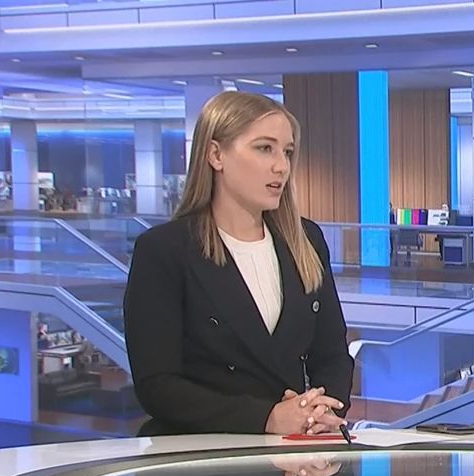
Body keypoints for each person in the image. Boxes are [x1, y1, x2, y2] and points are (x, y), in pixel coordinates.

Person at [123, 91, 352, 437]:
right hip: (201, 455)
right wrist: (266, 418)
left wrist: (323, 409)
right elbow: (158, 385)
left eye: (287, 152)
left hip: (294, 452)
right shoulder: (164, 251)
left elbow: (332, 354)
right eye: (265, 148)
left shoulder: (306, 240)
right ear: (216, 155)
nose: (282, 166)